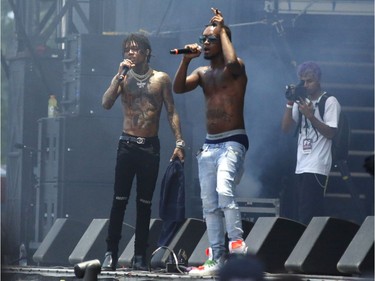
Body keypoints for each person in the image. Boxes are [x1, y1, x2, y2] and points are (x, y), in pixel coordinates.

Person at [173, 8, 249, 277]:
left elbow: (231, 63)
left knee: (224, 190)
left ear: (223, 41)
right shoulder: (203, 73)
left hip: (232, 141)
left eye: (211, 39)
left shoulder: (236, 68)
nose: (205, 43)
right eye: (203, 38)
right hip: (210, 145)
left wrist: (223, 29)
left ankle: (237, 247)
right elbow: (179, 88)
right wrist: (186, 61)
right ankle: (217, 257)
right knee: (209, 203)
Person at [101, 33, 185, 271]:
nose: (130, 53)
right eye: (127, 49)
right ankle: (111, 252)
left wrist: (179, 142)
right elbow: (106, 103)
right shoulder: (122, 78)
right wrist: (119, 76)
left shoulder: (161, 79)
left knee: (144, 204)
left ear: (146, 52)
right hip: (127, 144)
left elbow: (171, 111)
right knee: (119, 201)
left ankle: (139, 255)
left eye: (135, 49)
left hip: (149, 147)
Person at [281, 61, 341, 225]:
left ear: (319, 80)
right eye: (303, 81)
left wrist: (311, 116)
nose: (306, 85)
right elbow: (286, 128)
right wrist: (290, 101)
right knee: (304, 211)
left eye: (310, 81)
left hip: (318, 164)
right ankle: (316, 245)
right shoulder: (301, 102)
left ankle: (307, 247)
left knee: (308, 213)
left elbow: (331, 132)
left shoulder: (329, 101)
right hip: (301, 164)